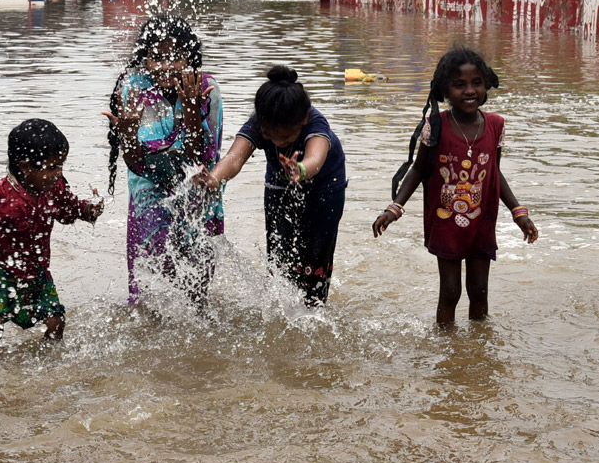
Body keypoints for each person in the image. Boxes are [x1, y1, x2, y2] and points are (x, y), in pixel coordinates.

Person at [373, 48, 538, 326]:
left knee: (480, 292)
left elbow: (495, 173)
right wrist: (395, 208)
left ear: (486, 85)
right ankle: (447, 351)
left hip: (481, 222)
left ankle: (477, 351)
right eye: (459, 85)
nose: (470, 91)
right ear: (445, 91)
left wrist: (518, 212)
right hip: (446, 221)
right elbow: (418, 170)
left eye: (477, 83)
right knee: (450, 292)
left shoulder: (495, 125)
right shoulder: (436, 125)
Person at [0, 119, 104, 355]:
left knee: (56, 321)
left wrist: (89, 210)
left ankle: (46, 369)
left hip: (36, 271)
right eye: (52, 167)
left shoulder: (54, 187)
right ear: (25, 167)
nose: (59, 173)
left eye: (61, 165)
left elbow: (69, 208)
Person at [195, 66, 346, 305]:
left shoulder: (315, 123)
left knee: (316, 262)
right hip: (279, 184)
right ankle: (282, 311)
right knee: (279, 258)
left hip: (325, 188)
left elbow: (316, 158)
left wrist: (301, 169)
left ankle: (314, 311)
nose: (277, 142)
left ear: (304, 118)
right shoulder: (259, 123)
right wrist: (214, 178)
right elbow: (235, 159)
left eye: (285, 138)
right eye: (270, 136)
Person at [103, 15, 223, 303]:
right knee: (150, 285)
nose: (167, 65)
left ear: (190, 58)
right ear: (144, 59)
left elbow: (201, 161)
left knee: (196, 284)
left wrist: (194, 116)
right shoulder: (133, 90)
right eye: (157, 57)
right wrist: (129, 136)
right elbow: (137, 164)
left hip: (197, 190)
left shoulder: (207, 90)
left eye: (176, 57)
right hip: (149, 192)